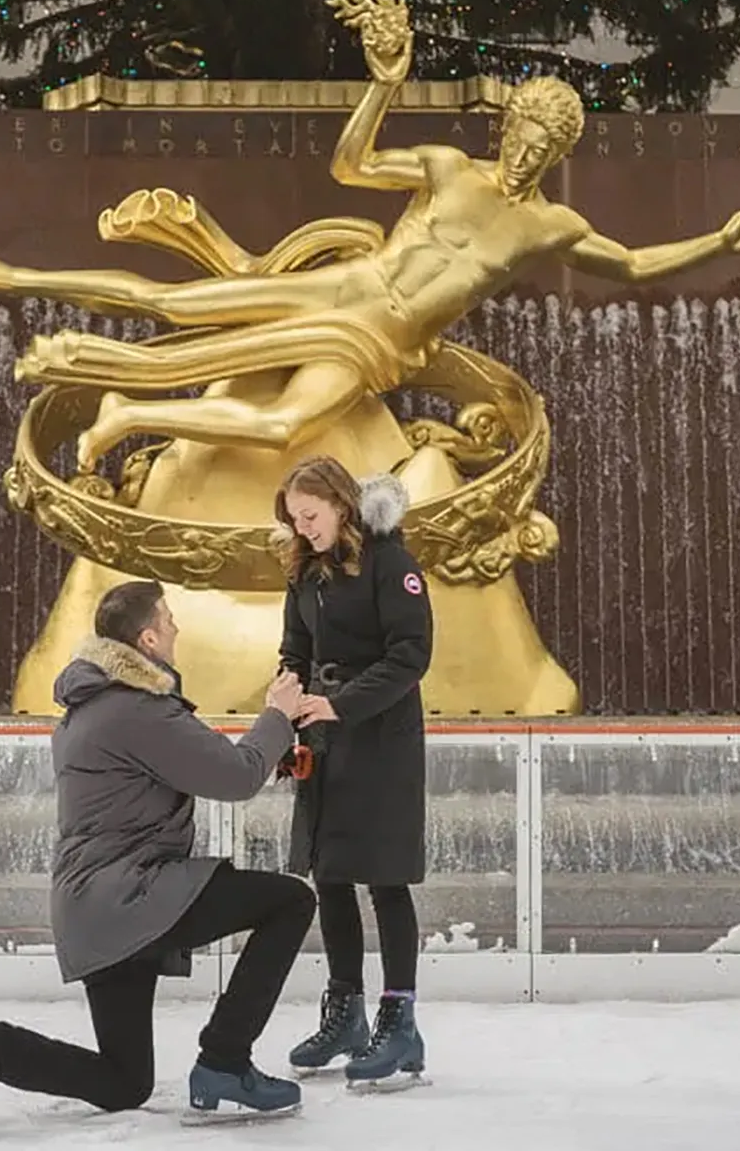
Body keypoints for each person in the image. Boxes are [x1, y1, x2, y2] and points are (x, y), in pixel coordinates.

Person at [0, 0, 740, 470]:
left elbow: (637, 265)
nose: (534, 146)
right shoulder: (446, 167)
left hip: (383, 343)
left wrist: (722, 240)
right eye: (527, 130)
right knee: (179, 305)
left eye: (552, 140)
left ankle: (131, 413)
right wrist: (384, 84)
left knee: (284, 428)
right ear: (509, 130)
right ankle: (12, 278)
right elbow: (352, 167)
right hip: (349, 285)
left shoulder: (551, 225)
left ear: (562, 149)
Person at [0, 579, 316, 1130]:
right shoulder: (136, 710)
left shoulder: (97, 706)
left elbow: (171, 772)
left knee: (125, 1081)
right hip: (129, 897)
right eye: (169, 620)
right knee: (290, 901)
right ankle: (225, 1062)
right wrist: (277, 714)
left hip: (96, 907)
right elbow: (234, 775)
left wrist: (264, 755)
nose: (177, 628)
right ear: (149, 639)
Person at [272, 455, 434, 1087]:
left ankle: (401, 1020)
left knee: (386, 879)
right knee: (330, 875)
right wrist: (287, 703)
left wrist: (343, 704)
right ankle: (346, 1013)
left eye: (310, 516)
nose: (303, 528)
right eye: (294, 520)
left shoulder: (389, 560)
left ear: (341, 504)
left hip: (382, 739)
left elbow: (412, 653)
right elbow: (294, 648)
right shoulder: (305, 570)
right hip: (323, 736)